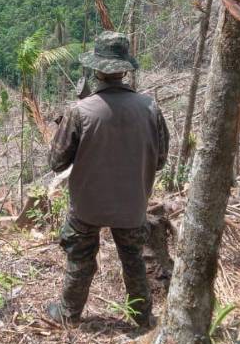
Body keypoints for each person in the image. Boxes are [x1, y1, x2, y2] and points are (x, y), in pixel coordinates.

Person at [46, 31, 168, 327]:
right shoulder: (150, 108)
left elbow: (57, 161)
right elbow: (161, 160)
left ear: (97, 69)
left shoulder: (80, 111)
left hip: (88, 205)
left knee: (81, 259)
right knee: (133, 260)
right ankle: (142, 317)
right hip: (132, 205)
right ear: (125, 70)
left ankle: (69, 313)